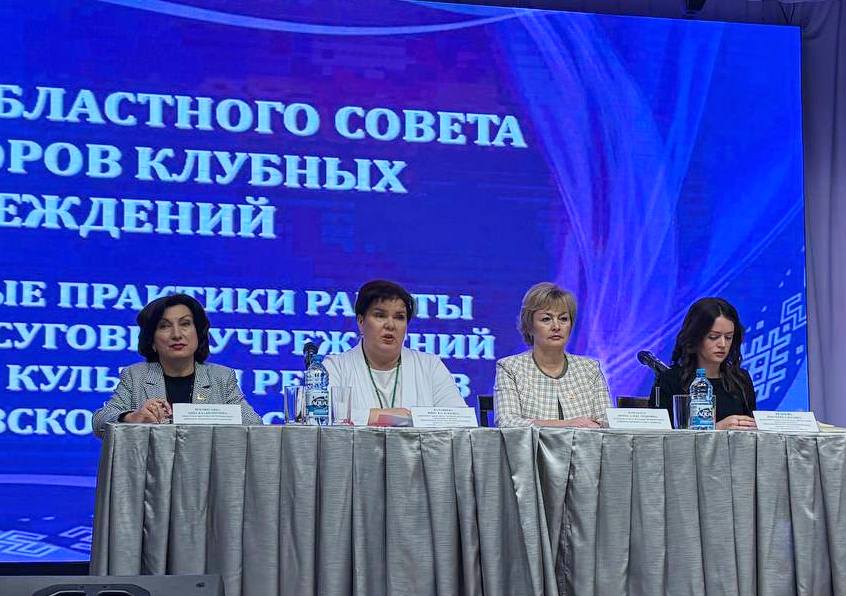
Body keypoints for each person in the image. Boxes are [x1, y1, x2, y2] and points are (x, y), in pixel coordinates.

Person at [92, 293, 262, 438]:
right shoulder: (135, 376)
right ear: (152, 340)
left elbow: (254, 424)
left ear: (198, 333)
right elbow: (99, 422)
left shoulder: (221, 377)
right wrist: (132, 418)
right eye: (164, 326)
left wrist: (215, 418)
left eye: (185, 324)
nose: (176, 334)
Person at [322, 280, 465, 425]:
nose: (390, 325)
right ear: (361, 321)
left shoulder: (430, 366)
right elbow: (322, 416)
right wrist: (384, 416)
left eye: (399, 317)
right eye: (380, 315)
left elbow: (460, 419)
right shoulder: (336, 367)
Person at [494, 282, 611, 427]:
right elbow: (507, 422)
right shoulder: (510, 368)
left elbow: (606, 423)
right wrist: (567, 424)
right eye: (546, 319)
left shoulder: (590, 369)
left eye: (563, 319)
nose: (556, 327)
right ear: (529, 326)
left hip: (585, 442)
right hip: (533, 443)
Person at [651, 297, 757, 430]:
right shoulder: (670, 380)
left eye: (728, 337)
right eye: (713, 337)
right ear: (695, 337)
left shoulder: (740, 379)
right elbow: (662, 437)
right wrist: (716, 429)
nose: (722, 344)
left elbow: (752, 430)